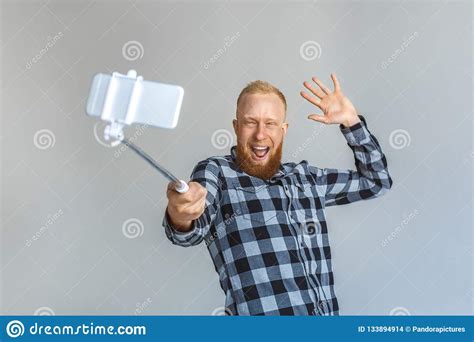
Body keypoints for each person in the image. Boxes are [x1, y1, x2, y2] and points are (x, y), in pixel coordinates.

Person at [162, 73, 393, 315]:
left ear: (283, 130)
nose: (260, 134)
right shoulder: (217, 172)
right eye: (251, 122)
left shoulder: (306, 178)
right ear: (236, 127)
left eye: (270, 123)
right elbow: (189, 231)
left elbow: (376, 181)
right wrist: (180, 212)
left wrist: (352, 122)